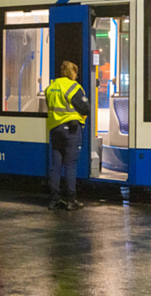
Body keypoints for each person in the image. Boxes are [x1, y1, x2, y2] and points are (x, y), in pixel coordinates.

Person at [45, 61, 91, 211]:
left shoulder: (50, 88)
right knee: (70, 164)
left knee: (55, 164)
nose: (76, 76)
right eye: (76, 73)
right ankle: (71, 199)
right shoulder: (73, 87)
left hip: (54, 129)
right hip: (71, 130)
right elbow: (86, 108)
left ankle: (54, 199)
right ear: (72, 73)